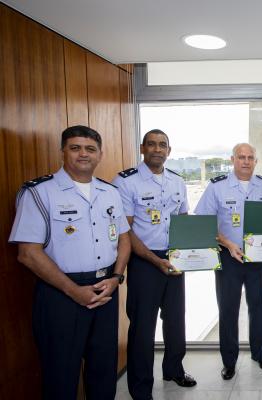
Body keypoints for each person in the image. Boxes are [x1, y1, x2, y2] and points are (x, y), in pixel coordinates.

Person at [8, 125, 131, 400]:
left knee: (103, 372)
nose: (83, 154)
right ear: (63, 151)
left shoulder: (109, 192)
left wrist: (117, 278)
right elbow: (28, 252)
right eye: (75, 148)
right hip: (60, 295)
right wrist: (73, 290)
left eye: (90, 149)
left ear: (100, 154)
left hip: (105, 290)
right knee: (60, 376)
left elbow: (124, 238)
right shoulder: (39, 192)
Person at [112, 129, 195, 400]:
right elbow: (126, 231)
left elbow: (183, 219)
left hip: (174, 259)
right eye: (152, 144)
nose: (157, 149)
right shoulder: (126, 182)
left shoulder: (177, 181)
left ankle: (174, 369)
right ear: (142, 148)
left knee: (176, 321)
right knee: (143, 328)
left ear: (169, 151)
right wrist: (153, 259)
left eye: (162, 145)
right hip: (145, 261)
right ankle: (140, 386)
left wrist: (189, 253)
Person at [194, 143, 262, 380]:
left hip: (258, 258)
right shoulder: (217, 187)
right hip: (228, 258)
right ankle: (229, 361)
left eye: (251, 157)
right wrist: (228, 244)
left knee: (258, 307)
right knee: (228, 310)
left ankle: (260, 355)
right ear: (232, 159)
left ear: (255, 161)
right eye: (241, 157)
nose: (246, 161)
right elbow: (204, 222)